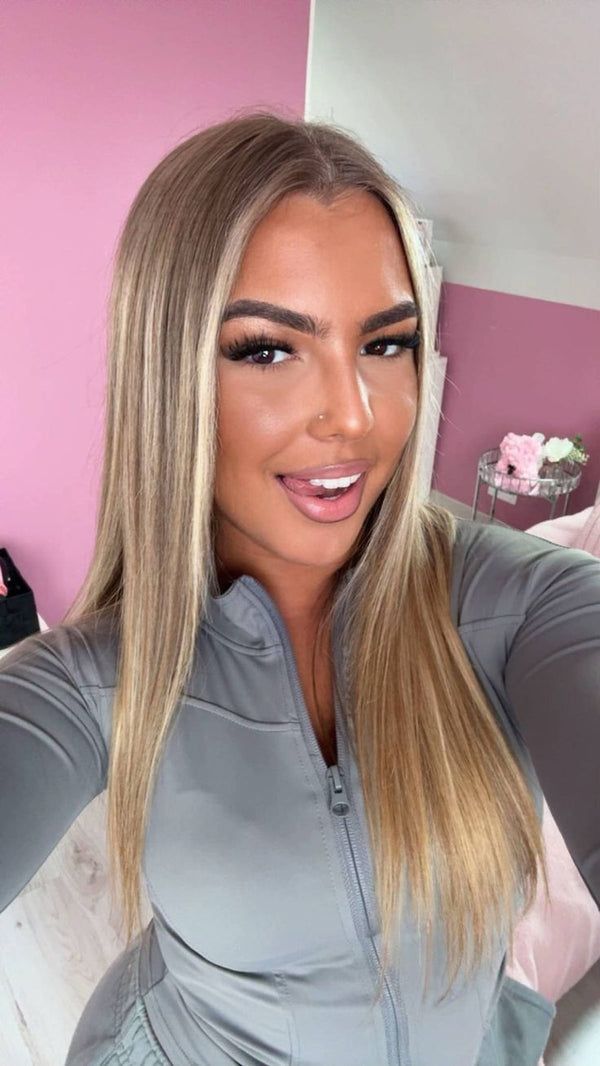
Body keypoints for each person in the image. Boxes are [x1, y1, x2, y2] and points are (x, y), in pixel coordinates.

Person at [0, 109, 598, 1066]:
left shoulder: (525, 607)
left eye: (386, 344)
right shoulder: (90, 681)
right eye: (269, 349)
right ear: (171, 377)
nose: (354, 416)